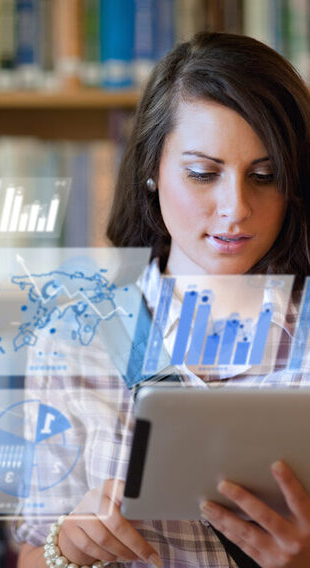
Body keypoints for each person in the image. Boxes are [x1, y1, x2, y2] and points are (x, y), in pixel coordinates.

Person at [16, 31, 310, 567]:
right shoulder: (73, 338)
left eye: (265, 177)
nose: (235, 208)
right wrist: (69, 545)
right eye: (203, 174)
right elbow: (33, 551)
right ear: (152, 169)